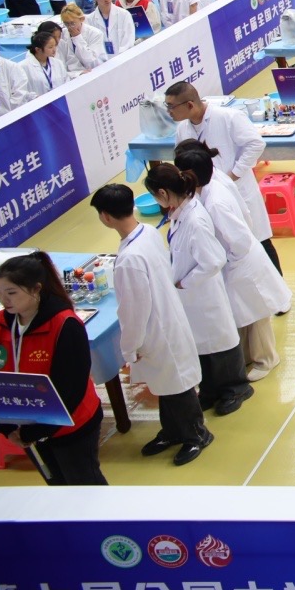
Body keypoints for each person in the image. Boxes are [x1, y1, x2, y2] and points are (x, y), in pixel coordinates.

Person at [92, 184, 213, 465]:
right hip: (167, 318)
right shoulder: (147, 231)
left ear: (105, 217)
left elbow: (134, 310)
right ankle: (172, 431)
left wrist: (129, 348)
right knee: (165, 385)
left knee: (177, 385)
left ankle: (197, 434)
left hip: (156, 330)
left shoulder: (129, 260)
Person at [144, 162, 253, 417]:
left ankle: (237, 388)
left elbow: (214, 260)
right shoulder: (181, 212)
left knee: (219, 342)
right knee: (203, 345)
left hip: (203, 293)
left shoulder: (195, 219)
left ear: (163, 193)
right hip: (192, 294)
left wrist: (185, 282)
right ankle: (211, 390)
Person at [174, 144, 291, 379]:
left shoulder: (215, 202)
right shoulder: (211, 186)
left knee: (256, 314)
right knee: (244, 314)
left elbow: (238, 240)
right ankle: (249, 356)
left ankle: (266, 359)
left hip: (241, 261)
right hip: (238, 260)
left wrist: (228, 260)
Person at [0, 251, 107, 484]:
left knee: (84, 485)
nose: (4, 300)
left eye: (11, 292)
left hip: (70, 426)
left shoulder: (64, 325)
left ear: (36, 289)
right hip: (24, 427)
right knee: (56, 484)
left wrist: (37, 430)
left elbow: (72, 388)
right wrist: (5, 427)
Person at [167, 81, 281, 272]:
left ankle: (278, 283)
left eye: (171, 106)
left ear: (190, 105)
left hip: (237, 189)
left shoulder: (228, 117)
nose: (168, 111)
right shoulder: (182, 129)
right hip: (205, 195)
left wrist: (233, 174)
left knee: (259, 240)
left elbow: (255, 144)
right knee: (224, 245)